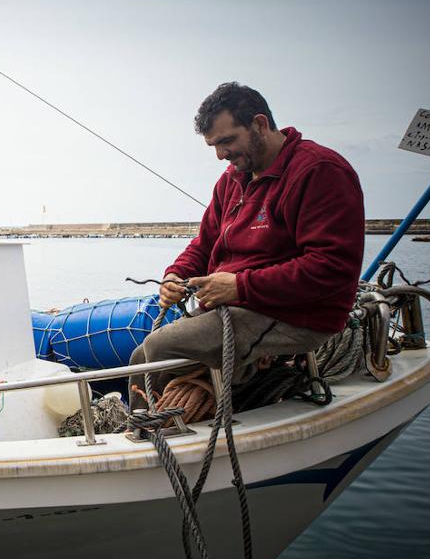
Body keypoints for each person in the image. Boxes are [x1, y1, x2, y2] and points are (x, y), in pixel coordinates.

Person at [130, 82, 365, 404]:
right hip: (239, 306)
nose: (221, 154)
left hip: (296, 315)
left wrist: (241, 287)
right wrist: (175, 275)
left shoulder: (320, 171)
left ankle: (148, 432)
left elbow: (332, 267)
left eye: (227, 141)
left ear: (260, 124)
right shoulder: (232, 179)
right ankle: (163, 419)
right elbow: (204, 244)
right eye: (213, 145)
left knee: (160, 348)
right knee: (143, 352)